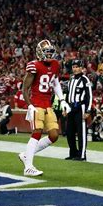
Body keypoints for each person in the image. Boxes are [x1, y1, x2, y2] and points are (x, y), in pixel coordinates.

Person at [18, 40, 71, 176]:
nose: (49, 54)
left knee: (54, 135)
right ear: (40, 53)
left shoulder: (55, 65)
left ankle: (26, 155)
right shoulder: (34, 66)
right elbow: (25, 89)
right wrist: (29, 105)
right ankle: (28, 167)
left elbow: (55, 83)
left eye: (50, 52)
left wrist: (63, 100)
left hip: (48, 104)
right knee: (37, 132)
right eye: (46, 52)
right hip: (36, 104)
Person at [66, 59, 92, 160]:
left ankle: (82, 155)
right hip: (71, 108)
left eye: (77, 67)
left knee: (81, 132)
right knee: (69, 132)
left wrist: (88, 111)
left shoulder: (85, 79)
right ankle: (73, 153)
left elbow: (89, 96)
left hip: (80, 108)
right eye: (74, 67)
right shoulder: (71, 80)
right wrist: (66, 108)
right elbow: (68, 95)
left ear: (81, 68)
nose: (75, 69)